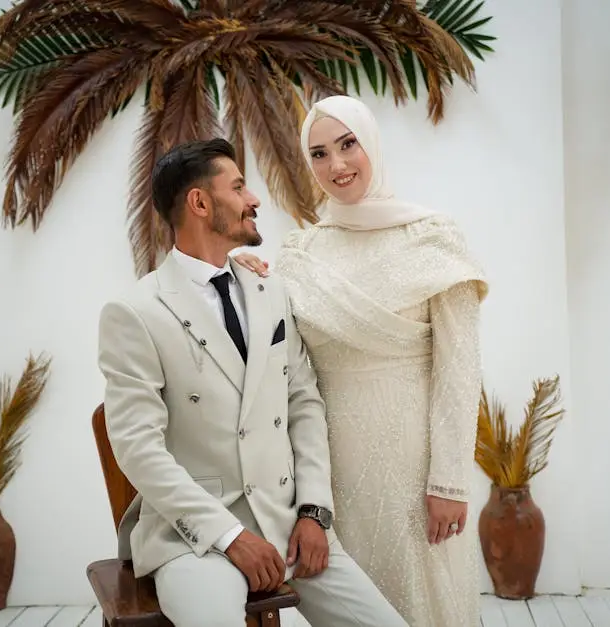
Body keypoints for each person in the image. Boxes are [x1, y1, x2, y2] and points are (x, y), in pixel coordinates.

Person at [97, 137, 409, 627]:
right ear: (200, 203)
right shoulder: (136, 313)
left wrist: (313, 513)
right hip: (194, 541)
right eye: (239, 187)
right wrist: (229, 536)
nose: (254, 199)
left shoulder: (269, 290)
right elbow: (138, 448)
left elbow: (304, 402)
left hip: (289, 524)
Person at [233, 95, 489, 626]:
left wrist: (449, 482)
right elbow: (284, 356)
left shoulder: (432, 236)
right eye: (320, 154)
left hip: (415, 464)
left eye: (348, 145)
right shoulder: (303, 252)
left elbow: (459, 370)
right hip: (334, 470)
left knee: (425, 601)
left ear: (370, 142)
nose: (337, 166)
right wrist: (240, 273)